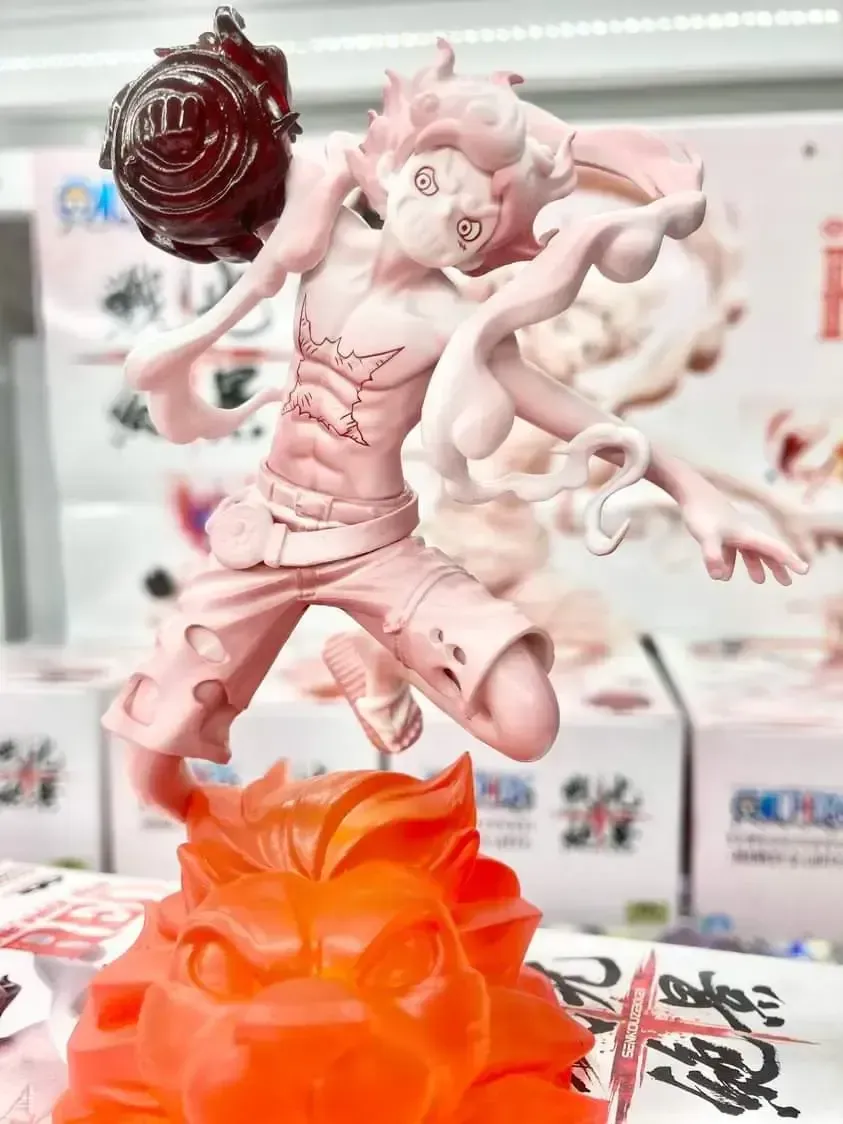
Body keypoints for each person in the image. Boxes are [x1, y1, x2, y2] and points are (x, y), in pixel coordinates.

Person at [104, 40, 806, 819]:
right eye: (430, 180)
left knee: (527, 720)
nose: (436, 216)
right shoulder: (321, 236)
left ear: (490, 250)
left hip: (371, 545)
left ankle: (380, 661)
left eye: (470, 222)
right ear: (401, 160)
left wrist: (697, 494)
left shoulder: (457, 328)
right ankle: (238, 846)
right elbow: (228, 151)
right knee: (150, 767)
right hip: (264, 530)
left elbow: (585, 419)